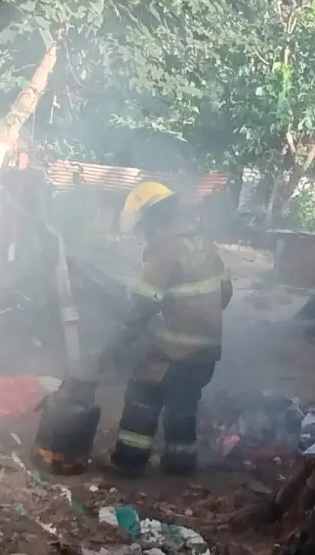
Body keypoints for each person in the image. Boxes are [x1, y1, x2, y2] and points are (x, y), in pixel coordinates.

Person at [104, 182, 233, 476]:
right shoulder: (203, 243)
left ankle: (129, 461)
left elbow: (142, 307)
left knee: (142, 394)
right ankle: (179, 464)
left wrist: (119, 343)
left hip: (174, 351)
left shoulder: (163, 250)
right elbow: (226, 293)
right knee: (183, 404)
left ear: (151, 219)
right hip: (207, 351)